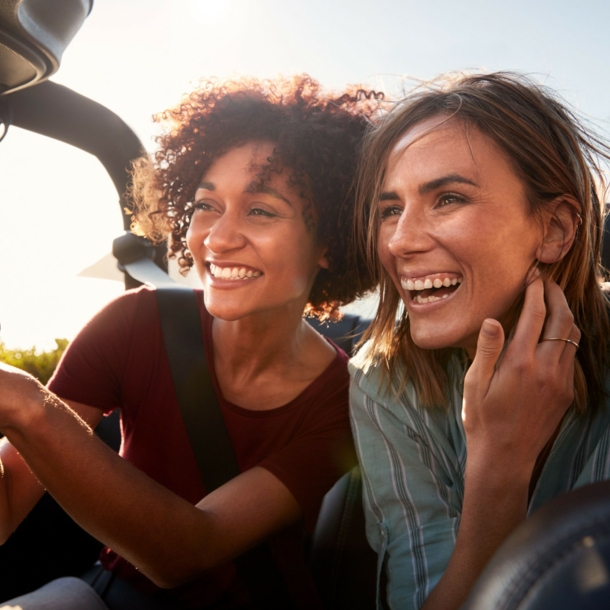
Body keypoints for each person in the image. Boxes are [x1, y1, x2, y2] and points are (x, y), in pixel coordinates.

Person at [0, 75, 379, 609]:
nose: (218, 239)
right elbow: (10, 491)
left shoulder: (343, 400)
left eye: (261, 210)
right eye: (206, 205)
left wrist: (25, 404)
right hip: (108, 593)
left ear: (329, 243)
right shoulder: (133, 323)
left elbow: (188, 551)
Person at [350, 71, 610, 610]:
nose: (400, 242)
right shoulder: (384, 384)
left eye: (447, 198)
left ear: (556, 230)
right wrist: (499, 470)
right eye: (389, 210)